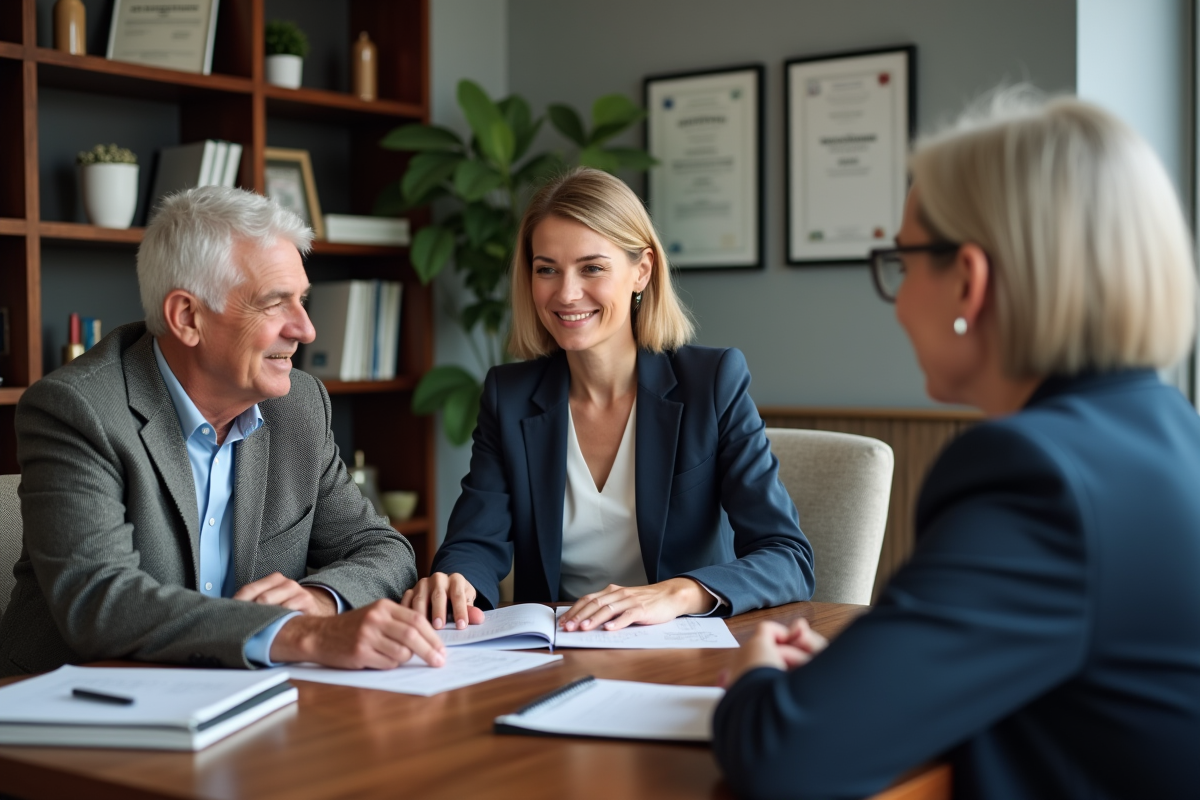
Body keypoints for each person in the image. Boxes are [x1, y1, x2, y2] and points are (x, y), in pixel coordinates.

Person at [713, 88, 1200, 799]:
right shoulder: (1170, 433)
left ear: (968, 281)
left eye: (903, 263)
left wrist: (755, 672)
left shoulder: (1036, 479)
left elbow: (782, 755)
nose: (901, 301)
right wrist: (878, 687)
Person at [0, 187, 446, 677]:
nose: (306, 329)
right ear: (187, 317)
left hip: (240, 701)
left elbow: (383, 549)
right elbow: (101, 601)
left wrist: (321, 600)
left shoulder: (298, 406)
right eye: (275, 304)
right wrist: (301, 634)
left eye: (303, 300)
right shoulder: (77, 409)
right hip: (76, 711)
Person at [404, 168, 814, 632]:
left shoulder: (712, 383)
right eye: (547, 270)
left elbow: (788, 557)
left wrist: (677, 593)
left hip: (681, 649)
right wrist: (455, 582)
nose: (566, 293)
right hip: (558, 653)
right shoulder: (510, 396)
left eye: (592, 268)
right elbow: (475, 541)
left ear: (641, 271)